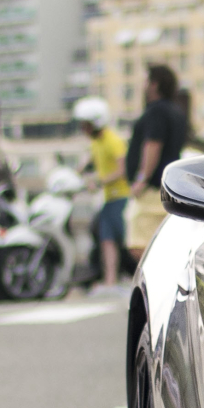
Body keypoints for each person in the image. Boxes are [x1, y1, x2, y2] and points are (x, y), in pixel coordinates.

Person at [123, 65, 187, 262]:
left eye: (145, 81)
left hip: (151, 189)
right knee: (159, 241)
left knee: (139, 245)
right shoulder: (175, 111)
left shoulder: (156, 111)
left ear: (154, 85)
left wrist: (142, 178)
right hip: (166, 188)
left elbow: (153, 145)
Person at [75, 96, 129, 287]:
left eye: (86, 124)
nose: (83, 129)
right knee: (106, 239)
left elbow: (122, 169)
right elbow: (86, 162)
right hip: (108, 198)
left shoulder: (113, 141)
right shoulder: (95, 142)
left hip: (121, 197)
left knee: (127, 241)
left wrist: (99, 180)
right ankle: (110, 280)